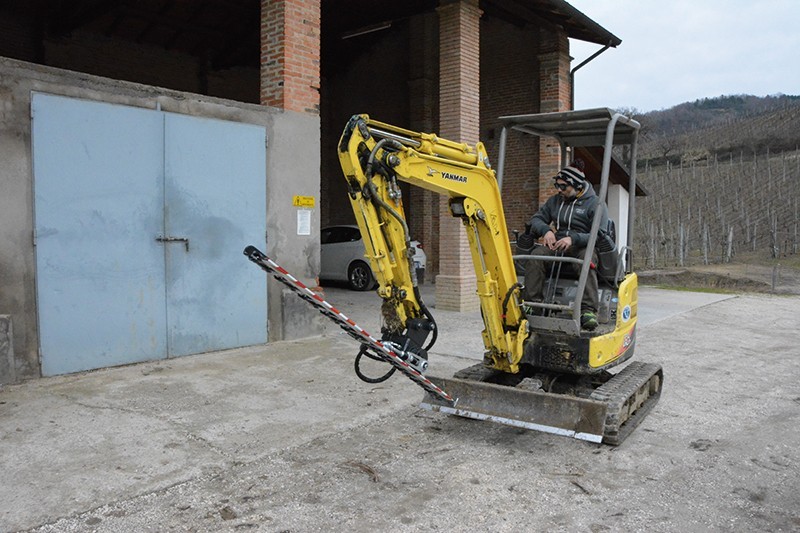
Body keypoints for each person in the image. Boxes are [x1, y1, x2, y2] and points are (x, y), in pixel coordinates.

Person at [518, 159, 607, 331]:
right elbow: (536, 219)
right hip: (558, 246)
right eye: (557, 185)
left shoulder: (595, 204)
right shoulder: (555, 201)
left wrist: (573, 239)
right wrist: (546, 231)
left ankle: (588, 311)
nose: (559, 190)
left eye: (563, 186)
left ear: (577, 186)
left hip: (582, 247)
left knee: (586, 259)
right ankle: (533, 304)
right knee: (537, 255)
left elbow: (599, 234)